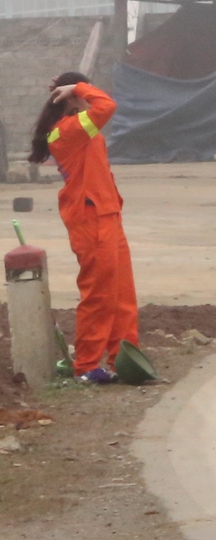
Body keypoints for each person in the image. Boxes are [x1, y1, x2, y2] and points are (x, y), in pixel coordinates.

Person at [27, 72, 139, 384]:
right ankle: (87, 366)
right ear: (72, 96)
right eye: (82, 91)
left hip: (107, 214)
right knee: (100, 295)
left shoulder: (76, 127)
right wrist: (78, 88)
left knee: (123, 295)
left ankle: (125, 360)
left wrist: (77, 90)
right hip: (91, 219)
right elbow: (107, 106)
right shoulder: (65, 131)